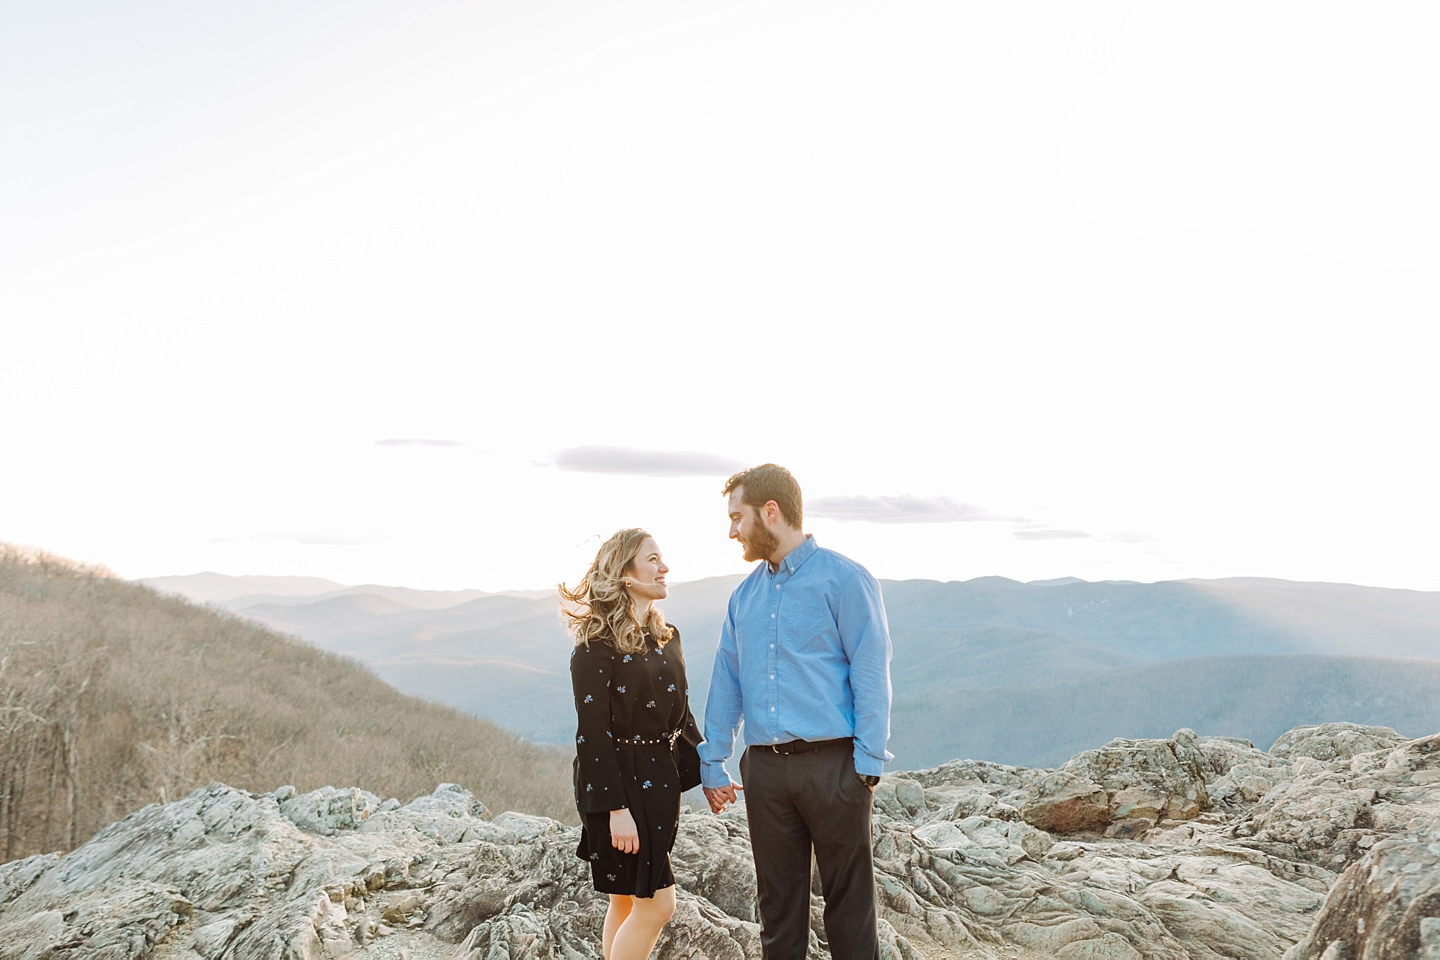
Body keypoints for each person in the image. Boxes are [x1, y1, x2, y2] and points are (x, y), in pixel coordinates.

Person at [700, 464, 893, 960]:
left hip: (834, 767)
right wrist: (713, 757)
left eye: (737, 517)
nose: (731, 531)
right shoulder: (744, 596)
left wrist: (867, 766)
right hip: (764, 771)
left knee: (849, 911)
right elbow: (726, 679)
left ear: (771, 511)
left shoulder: (845, 579)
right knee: (778, 912)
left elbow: (871, 669)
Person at [563, 528, 703, 960]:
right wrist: (615, 810)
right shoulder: (594, 647)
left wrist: (710, 769)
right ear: (625, 574)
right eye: (653, 560)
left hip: (658, 779)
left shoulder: (667, 636)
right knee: (659, 904)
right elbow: (592, 734)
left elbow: (682, 714)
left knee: (624, 900)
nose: (665, 569)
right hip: (618, 784)